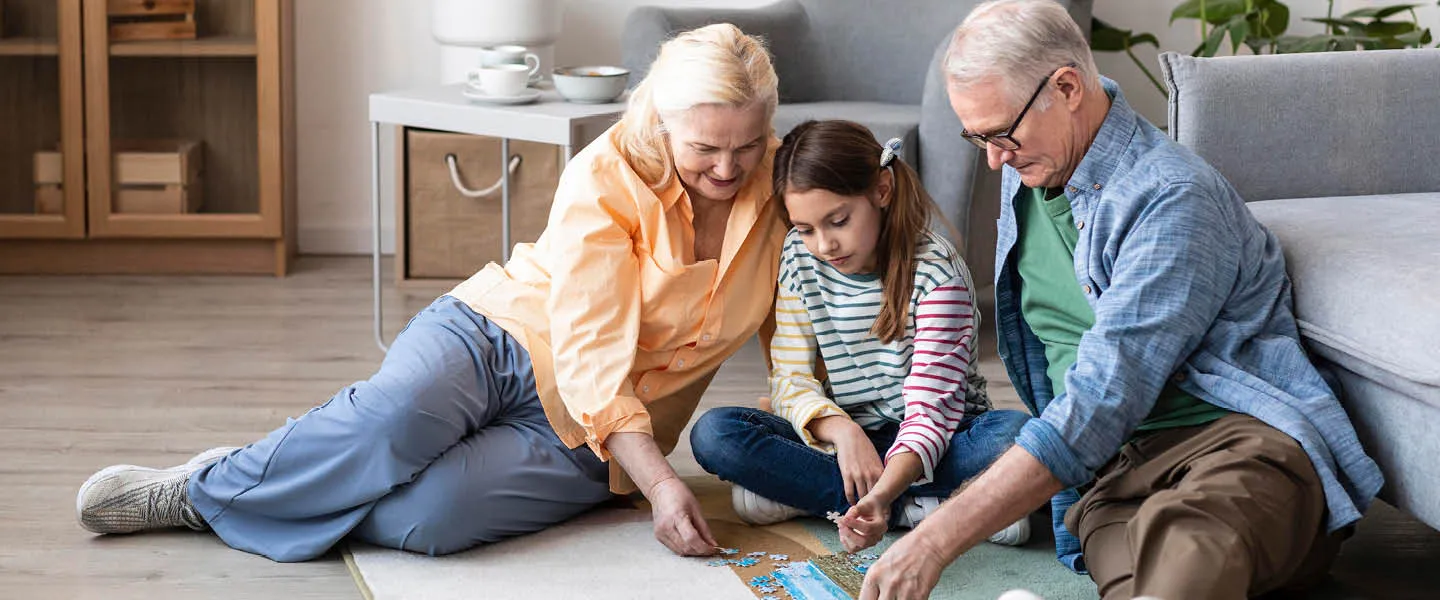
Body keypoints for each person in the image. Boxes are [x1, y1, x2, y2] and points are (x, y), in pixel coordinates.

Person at [75, 23, 790, 562]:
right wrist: (666, 485)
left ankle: (293, 470)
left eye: (748, 145)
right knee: (390, 427)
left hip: (592, 439)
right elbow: (592, 345)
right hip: (499, 337)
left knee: (432, 517)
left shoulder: (787, 192)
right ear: (663, 124)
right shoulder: (607, 172)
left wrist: (828, 427)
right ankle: (203, 490)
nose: (728, 167)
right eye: (704, 147)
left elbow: (799, 330)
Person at [857, 1, 1384, 599]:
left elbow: (1106, 393)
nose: (993, 158)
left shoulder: (1171, 197)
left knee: (1187, 553)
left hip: (1234, 443)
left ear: (1067, 87)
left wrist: (931, 540)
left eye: (1001, 133)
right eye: (976, 136)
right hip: (1113, 471)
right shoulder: (1033, 158)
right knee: (1137, 575)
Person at [689, 119, 1032, 552]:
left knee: (1015, 436)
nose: (824, 245)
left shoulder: (936, 274)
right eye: (807, 228)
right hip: (848, 442)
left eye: (838, 221)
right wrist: (844, 434)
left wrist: (884, 493)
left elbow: (931, 411)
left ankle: (828, 499)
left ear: (882, 190)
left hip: (940, 438)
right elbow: (790, 379)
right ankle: (944, 507)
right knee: (716, 433)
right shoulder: (799, 255)